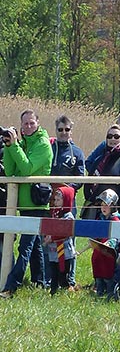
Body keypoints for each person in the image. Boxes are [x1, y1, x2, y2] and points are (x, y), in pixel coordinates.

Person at [0, 109, 53, 297]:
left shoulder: (43, 145)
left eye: (32, 123)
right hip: (24, 203)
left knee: (25, 246)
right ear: (21, 125)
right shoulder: (23, 143)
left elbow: (27, 169)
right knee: (35, 245)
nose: (28, 126)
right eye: (25, 124)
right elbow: (10, 170)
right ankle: (40, 283)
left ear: (38, 123)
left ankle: (10, 286)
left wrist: (14, 146)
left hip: (37, 203)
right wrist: (8, 146)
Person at [84, 125, 120, 220]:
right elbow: (89, 180)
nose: (112, 139)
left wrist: (118, 199)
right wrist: (91, 198)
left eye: (116, 136)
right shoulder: (100, 159)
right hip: (99, 209)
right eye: (109, 136)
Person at [43, 185, 77, 294]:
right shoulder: (54, 214)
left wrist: (52, 237)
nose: (56, 202)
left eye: (59, 200)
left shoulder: (68, 216)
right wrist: (46, 235)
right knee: (54, 272)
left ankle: (67, 290)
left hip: (64, 252)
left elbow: (64, 232)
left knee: (63, 273)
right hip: (53, 251)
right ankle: (53, 291)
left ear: (66, 201)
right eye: (55, 200)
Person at [89, 189, 120, 297]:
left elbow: (116, 238)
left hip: (110, 253)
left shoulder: (116, 220)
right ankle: (99, 289)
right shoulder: (100, 219)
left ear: (112, 206)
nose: (103, 207)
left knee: (107, 270)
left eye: (106, 205)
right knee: (96, 258)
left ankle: (110, 292)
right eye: (102, 205)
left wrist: (109, 243)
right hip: (99, 251)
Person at [51, 114, 86, 190]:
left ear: (71, 131)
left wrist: (67, 189)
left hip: (68, 194)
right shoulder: (49, 150)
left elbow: (80, 177)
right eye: (60, 129)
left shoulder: (78, 152)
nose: (64, 133)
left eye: (67, 129)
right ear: (56, 130)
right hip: (50, 195)